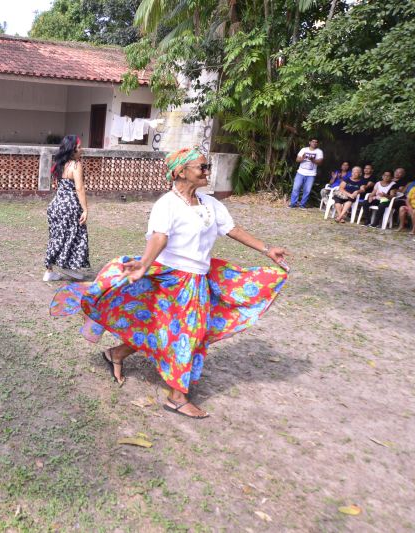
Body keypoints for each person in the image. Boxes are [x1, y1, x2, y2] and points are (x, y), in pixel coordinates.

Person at [50, 148, 289, 419]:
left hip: (198, 280)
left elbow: (232, 229)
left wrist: (267, 248)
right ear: (180, 172)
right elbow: (159, 238)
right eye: (201, 167)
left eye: (207, 166)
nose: (207, 171)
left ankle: (115, 354)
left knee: (159, 327)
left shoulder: (210, 204)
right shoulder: (167, 204)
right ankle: (176, 396)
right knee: (187, 334)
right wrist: (145, 263)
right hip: (170, 279)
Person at [44, 135, 89, 282]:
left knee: (56, 238)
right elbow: (79, 188)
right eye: (79, 147)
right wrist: (85, 209)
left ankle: (49, 271)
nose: (81, 149)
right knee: (74, 236)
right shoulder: (76, 165)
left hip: (56, 205)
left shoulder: (60, 164)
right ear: (73, 149)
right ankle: (67, 267)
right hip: (70, 206)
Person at [289, 138, 323, 208]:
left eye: (316, 142)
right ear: (309, 142)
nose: (314, 143)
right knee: (296, 188)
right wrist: (303, 158)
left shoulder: (319, 151)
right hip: (300, 172)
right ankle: (293, 204)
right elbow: (297, 160)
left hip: (311, 174)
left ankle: (302, 205)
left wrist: (312, 160)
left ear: (317, 144)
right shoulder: (304, 150)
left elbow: (320, 162)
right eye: (313, 142)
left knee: (307, 190)